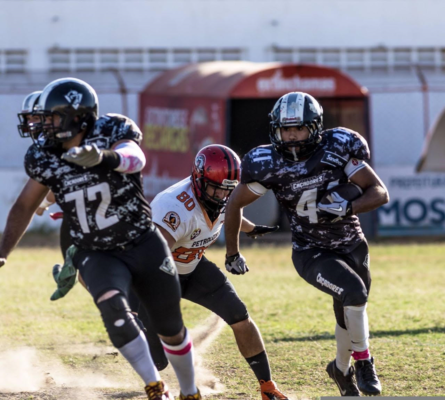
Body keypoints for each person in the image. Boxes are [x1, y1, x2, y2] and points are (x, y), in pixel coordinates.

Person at [0, 77, 200, 400]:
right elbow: (24, 204)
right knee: (113, 311)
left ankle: (190, 391)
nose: (45, 125)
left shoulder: (113, 130)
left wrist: (104, 158)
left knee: (170, 328)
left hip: (141, 240)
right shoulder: (45, 154)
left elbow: (136, 158)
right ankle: (154, 386)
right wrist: (3, 251)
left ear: (76, 117)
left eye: (52, 117)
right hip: (96, 250)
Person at [224, 92, 389, 397]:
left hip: (351, 242)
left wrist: (346, 208)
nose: (292, 136)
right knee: (354, 294)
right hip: (310, 251)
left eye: (298, 128)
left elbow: (379, 192)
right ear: (276, 129)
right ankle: (364, 362)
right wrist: (232, 251)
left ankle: (340, 370)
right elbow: (234, 204)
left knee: (349, 310)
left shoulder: (338, 147)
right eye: (286, 129)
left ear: (315, 127)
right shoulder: (268, 162)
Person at [137, 144, 288, 400]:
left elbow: (229, 211)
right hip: (161, 276)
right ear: (198, 178)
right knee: (158, 361)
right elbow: (154, 258)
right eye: (216, 188)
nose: (221, 195)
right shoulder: (175, 206)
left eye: (227, 190)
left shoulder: (222, 194)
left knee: (239, 316)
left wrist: (249, 229)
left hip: (193, 267)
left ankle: (267, 386)